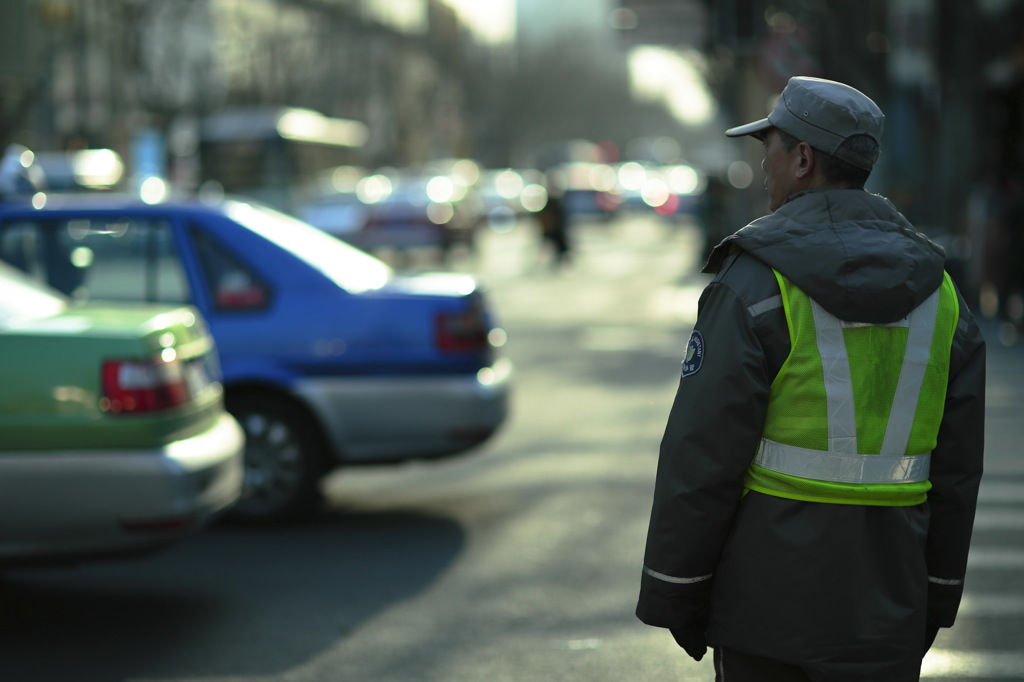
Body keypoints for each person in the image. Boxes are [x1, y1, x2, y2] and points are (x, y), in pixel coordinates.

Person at [636, 76, 986, 681]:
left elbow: (703, 452)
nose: (762, 166)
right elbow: (956, 473)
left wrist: (678, 591)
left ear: (801, 159)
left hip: (766, 616)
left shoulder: (752, 283)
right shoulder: (943, 295)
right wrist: (935, 597)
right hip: (888, 612)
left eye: (768, 148)